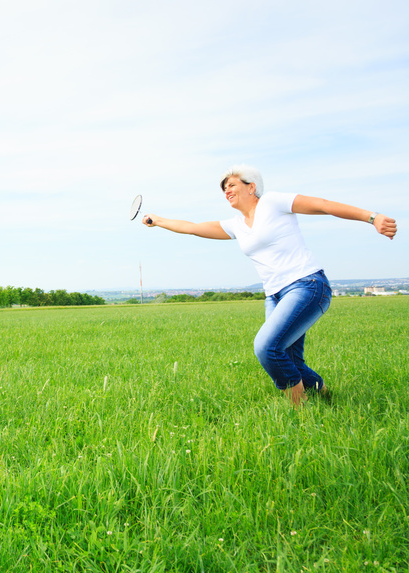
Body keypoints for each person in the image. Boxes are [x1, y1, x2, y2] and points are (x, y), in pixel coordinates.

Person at [142, 165, 397, 406]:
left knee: (267, 348)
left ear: (251, 187)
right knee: (290, 358)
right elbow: (193, 228)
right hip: (274, 296)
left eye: (231, 185)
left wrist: (371, 217)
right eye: (224, 189)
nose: (227, 191)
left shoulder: (273, 203)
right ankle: (327, 399)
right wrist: (159, 220)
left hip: (306, 285)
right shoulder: (236, 225)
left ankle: (302, 414)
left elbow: (323, 205)